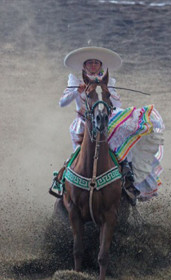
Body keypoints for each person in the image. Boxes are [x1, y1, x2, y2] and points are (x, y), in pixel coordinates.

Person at [50, 47, 164, 206]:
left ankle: (128, 177)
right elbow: (62, 103)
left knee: (121, 146)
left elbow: (117, 104)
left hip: (105, 120)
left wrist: (106, 90)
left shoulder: (107, 80)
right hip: (83, 123)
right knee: (78, 153)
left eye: (96, 62)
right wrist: (77, 90)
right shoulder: (75, 81)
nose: (93, 65)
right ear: (84, 65)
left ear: (100, 65)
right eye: (90, 62)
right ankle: (63, 182)